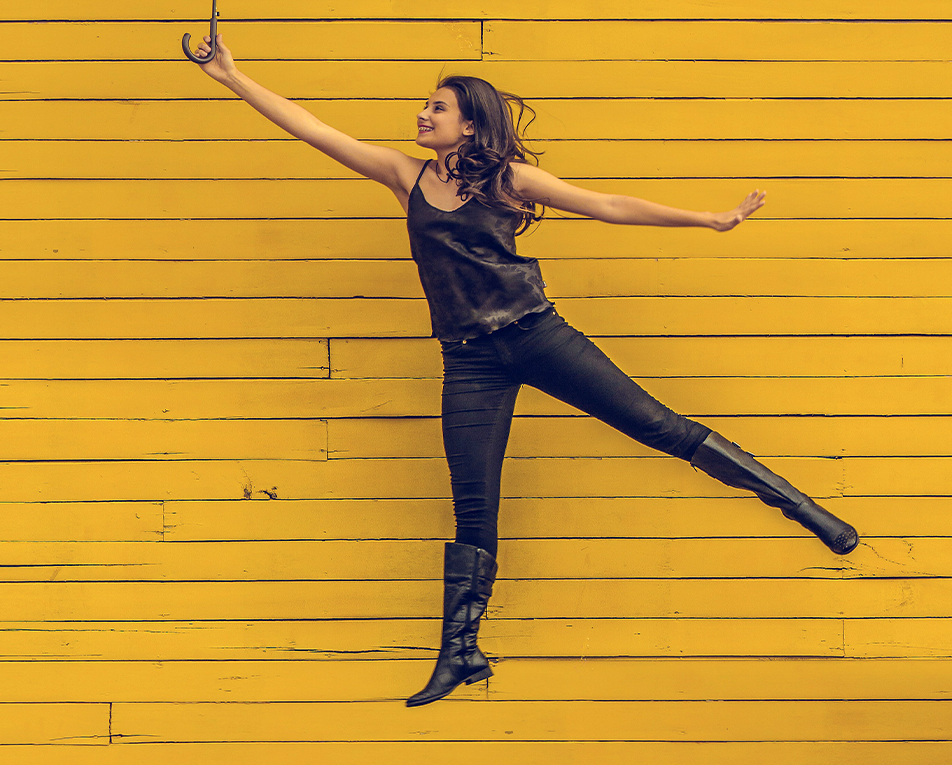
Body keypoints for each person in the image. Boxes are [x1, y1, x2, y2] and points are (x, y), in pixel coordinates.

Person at [189, 36, 859, 708]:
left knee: (660, 427)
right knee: (473, 506)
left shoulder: (507, 178)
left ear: (469, 124)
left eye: (437, 108)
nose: (423, 115)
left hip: (537, 335)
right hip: (469, 360)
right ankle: (461, 653)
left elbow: (607, 204)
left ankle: (803, 508)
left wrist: (710, 219)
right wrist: (232, 77)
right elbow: (311, 128)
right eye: (426, 106)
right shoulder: (405, 176)